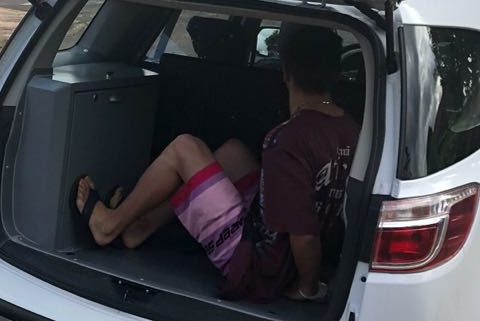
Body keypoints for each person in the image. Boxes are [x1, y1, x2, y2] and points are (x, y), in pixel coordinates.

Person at [75, 24, 360, 302]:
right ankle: (141, 227)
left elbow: (304, 234)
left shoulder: (288, 139)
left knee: (184, 148)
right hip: (286, 253)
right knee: (233, 152)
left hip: (259, 266)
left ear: (285, 73)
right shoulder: (351, 130)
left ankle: (108, 226)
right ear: (336, 75)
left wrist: (307, 288)